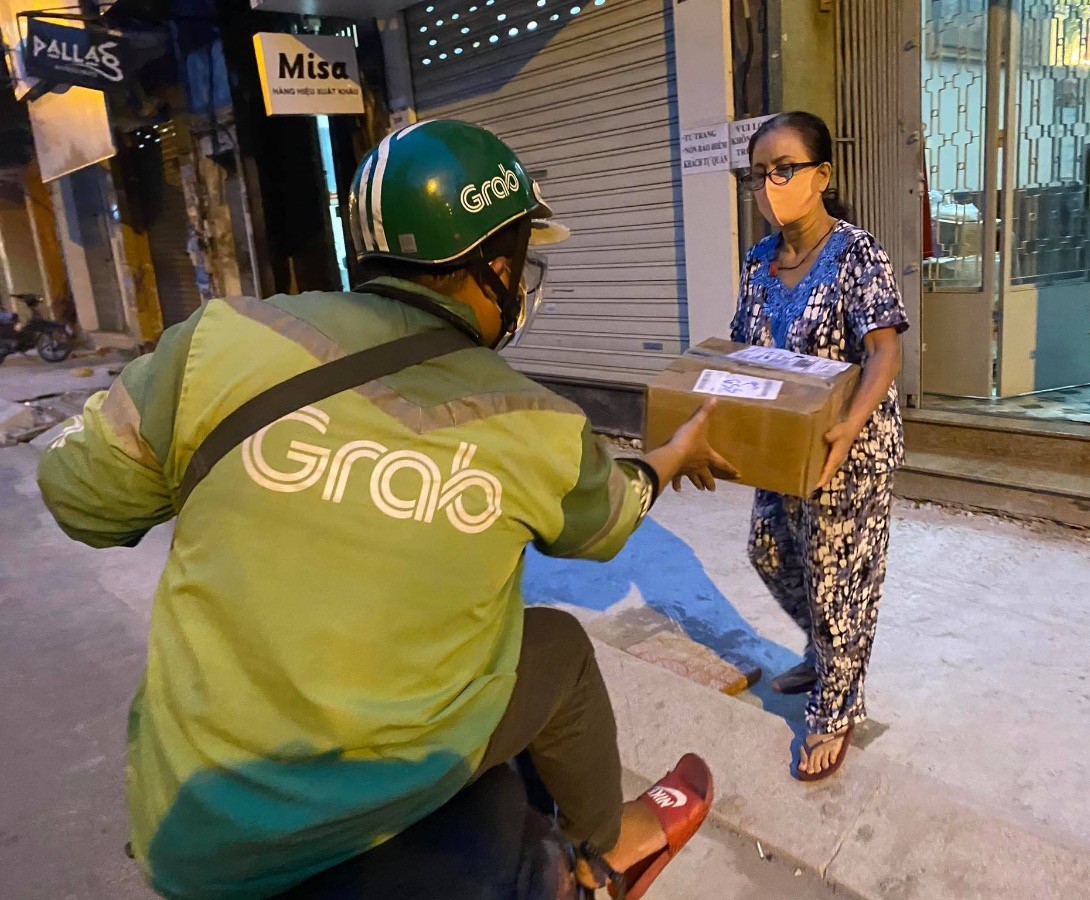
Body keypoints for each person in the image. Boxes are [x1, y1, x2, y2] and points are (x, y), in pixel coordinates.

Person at [37, 120, 735, 898]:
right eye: (522, 261)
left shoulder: (221, 339)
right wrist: (673, 456)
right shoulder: (536, 421)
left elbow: (80, 498)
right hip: (393, 789)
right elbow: (609, 521)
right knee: (561, 648)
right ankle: (606, 850)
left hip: (192, 829)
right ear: (496, 269)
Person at [731, 111, 908, 782]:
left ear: (821, 176)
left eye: (784, 169)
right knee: (771, 551)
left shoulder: (856, 252)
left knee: (838, 582)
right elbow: (744, 352)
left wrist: (848, 427)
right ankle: (830, 652)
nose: (770, 185)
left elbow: (884, 349)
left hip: (850, 448)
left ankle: (837, 706)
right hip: (786, 446)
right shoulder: (759, 261)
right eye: (758, 175)